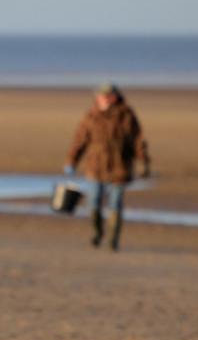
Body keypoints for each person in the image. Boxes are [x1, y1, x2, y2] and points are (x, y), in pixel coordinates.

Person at [64, 83, 150, 251]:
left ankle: (113, 240)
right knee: (93, 202)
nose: (103, 98)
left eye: (106, 95)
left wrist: (143, 161)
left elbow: (138, 140)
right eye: (100, 95)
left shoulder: (126, 115)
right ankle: (97, 233)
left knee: (115, 204)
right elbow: (80, 140)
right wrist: (71, 161)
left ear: (114, 96)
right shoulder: (91, 116)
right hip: (95, 166)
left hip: (120, 167)